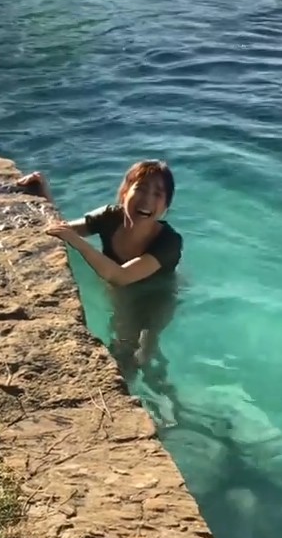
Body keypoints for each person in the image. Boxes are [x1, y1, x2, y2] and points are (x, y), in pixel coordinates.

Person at [15, 160, 184, 408]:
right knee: (124, 348)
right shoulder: (109, 217)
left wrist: (78, 243)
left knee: (147, 351)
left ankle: (170, 403)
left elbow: (120, 276)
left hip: (158, 294)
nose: (147, 199)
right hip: (124, 291)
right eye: (141, 188)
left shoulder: (169, 242)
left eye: (158, 194)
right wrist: (44, 189)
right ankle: (124, 402)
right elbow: (60, 229)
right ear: (124, 192)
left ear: (166, 207)